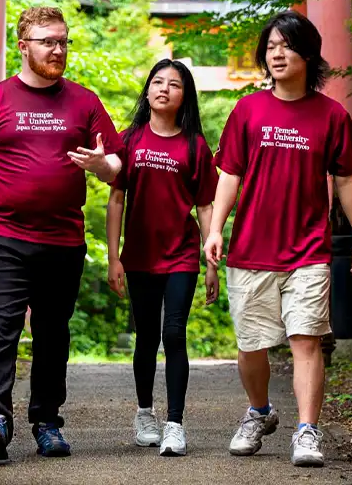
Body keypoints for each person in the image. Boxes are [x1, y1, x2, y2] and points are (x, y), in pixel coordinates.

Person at [0, 6, 123, 462]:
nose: (59, 49)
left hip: (62, 239)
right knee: (2, 328)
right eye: (48, 41)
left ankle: (47, 423)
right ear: (23, 46)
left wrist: (101, 164)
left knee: (52, 333)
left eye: (64, 41)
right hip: (3, 234)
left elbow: (115, 165)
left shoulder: (84, 101)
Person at [204, 10, 352, 468]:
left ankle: (307, 430)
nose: (276, 53)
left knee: (306, 339)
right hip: (252, 248)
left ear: (309, 53)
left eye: (287, 46)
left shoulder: (332, 116)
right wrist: (216, 228)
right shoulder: (248, 110)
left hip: (308, 250)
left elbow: (346, 181)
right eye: (271, 47)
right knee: (251, 344)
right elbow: (230, 175)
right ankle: (259, 412)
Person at [106, 59, 219, 457]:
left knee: (174, 333)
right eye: (157, 82)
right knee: (147, 337)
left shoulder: (195, 146)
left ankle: (175, 424)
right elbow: (116, 199)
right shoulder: (129, 140)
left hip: (182, 255)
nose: (164, 89)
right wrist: (112, 257)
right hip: (138, 256)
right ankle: (144, 414)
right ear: (148, 90)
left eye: (173, 84)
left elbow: (206, 205)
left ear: (184, 95)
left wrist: (211, 261)